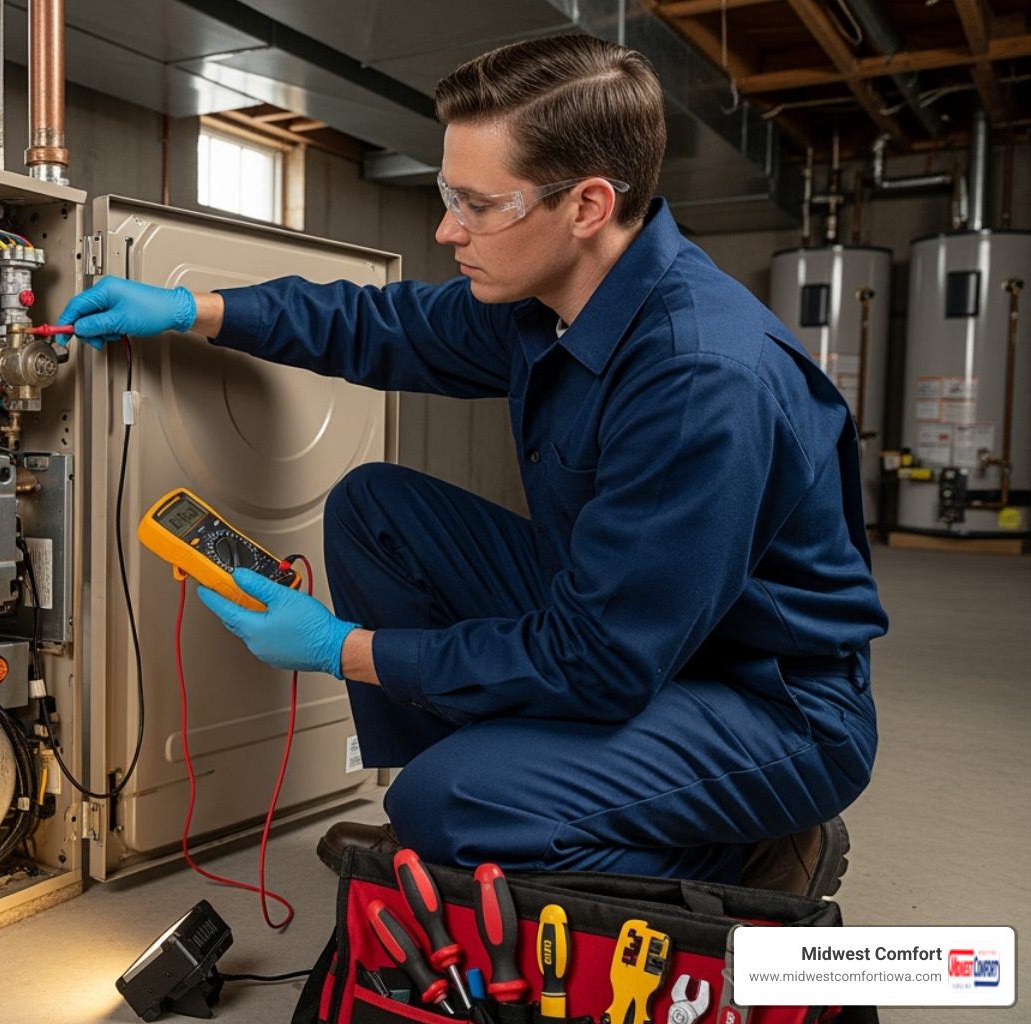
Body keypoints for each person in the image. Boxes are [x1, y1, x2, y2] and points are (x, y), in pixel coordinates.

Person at [57, 34, 885, 891]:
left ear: (588, 205)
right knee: (378, 511)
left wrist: (345, 649)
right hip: (644, 631)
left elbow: (600, 659)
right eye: (450, 194)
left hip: (763, 703)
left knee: (447, 805)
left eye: (479, 205)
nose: (449, 228)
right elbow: (383, 326)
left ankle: (749, 854)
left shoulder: (700, 380)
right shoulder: (551, 300)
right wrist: (193, 307)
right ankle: (495, 802)